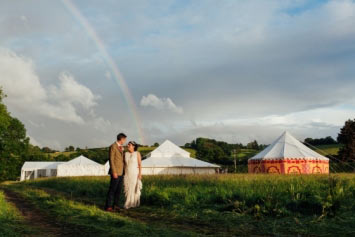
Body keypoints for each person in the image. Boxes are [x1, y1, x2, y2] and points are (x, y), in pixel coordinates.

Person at [105, 133, 127, 212]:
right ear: (121, 139)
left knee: (118, 190)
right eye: (125, 139)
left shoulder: (122, 148)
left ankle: (116, 205)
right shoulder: (113, 146)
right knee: (112, 190)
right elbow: (111, 160)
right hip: (115, 172)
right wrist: (114, 172)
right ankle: (108, 206)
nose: (125, 141)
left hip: (121, 172)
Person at [124, 141, 142, 209]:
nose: (128, 145)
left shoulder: (137, 153)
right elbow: (124, 165)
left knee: (134, 188)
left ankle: (133, 203)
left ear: (133, 146)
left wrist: (140, 174)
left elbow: (140, 164)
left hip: (135, 173)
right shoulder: (125, 154)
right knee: (128, 188)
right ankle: (128, 203)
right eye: (128, 144)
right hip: (127, 173)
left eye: (129, 145)